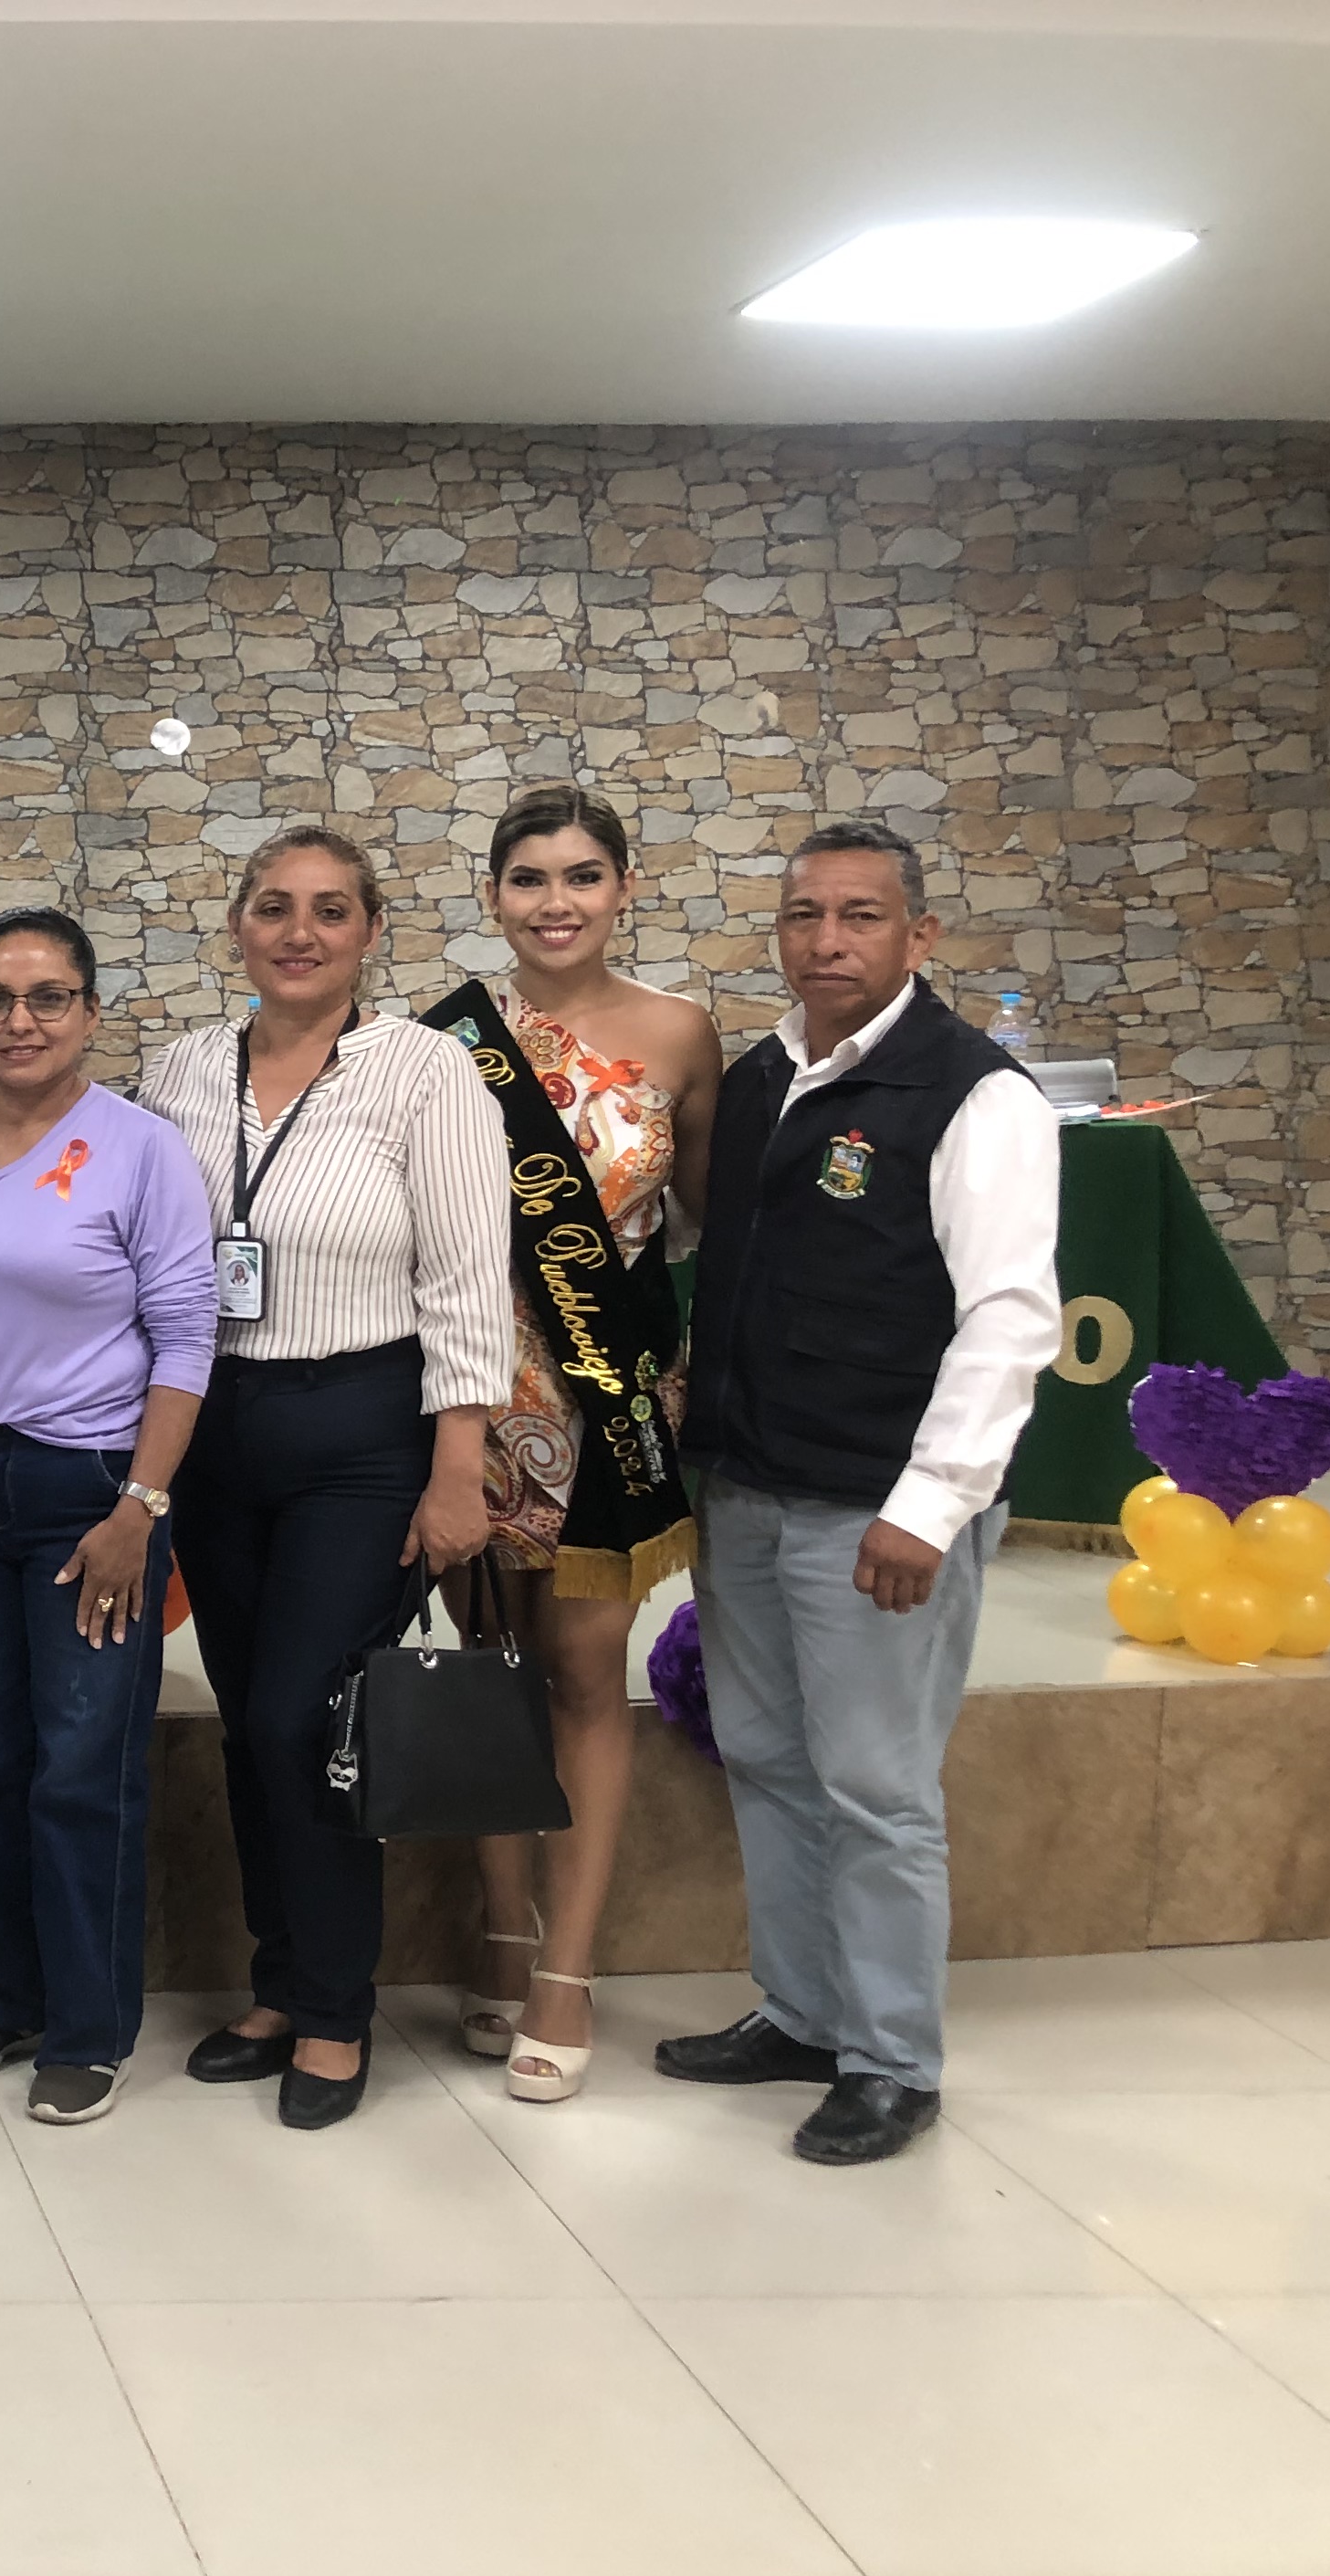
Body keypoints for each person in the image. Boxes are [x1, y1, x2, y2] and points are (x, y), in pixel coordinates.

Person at [655, 822, 1058, 2165]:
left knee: (878, 1789)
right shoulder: (761, 1078)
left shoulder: (974, 1094)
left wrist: (930, 1504)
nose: (828, 941)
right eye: (804, 915)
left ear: (918, 935)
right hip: (748, 1485)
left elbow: (1009, 1320)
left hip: (875, 1504)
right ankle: (804, 2012)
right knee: (770, 1761)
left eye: (862, 916)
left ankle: (892, 2061)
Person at [145, 827, 510, 2131]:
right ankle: (281, 1983)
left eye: (331, 910)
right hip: (214, 1428)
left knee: (308, 1716)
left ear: (370, 932)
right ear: (236, 926)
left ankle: (339, 2013)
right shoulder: (182, 1069)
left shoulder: (425, 1073)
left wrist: (457, 1467)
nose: (299, 933)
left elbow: (468, 1279)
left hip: (362, 1432)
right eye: (274, 908)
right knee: (251, 1719)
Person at [428, 788, 723, 2104]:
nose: (557, 903)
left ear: (624, 888)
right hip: (471, 1401)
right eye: (530, 879)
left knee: (588, 1676)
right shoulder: (439, 1042)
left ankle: (569, 1967)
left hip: (609, 1404)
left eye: (584, 876)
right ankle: (502, 1930)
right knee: (491, 1667)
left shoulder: (682, 1034)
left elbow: (708, 1225)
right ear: (493, 896)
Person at [0, 907, 218, 2126]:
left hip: (91, 1494)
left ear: (89, 1013)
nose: (20, 1021)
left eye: (47, 998)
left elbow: (186, 1336)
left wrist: (140, 1506)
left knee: (83, 1762)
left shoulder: (141, 1148)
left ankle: (89, 2025)